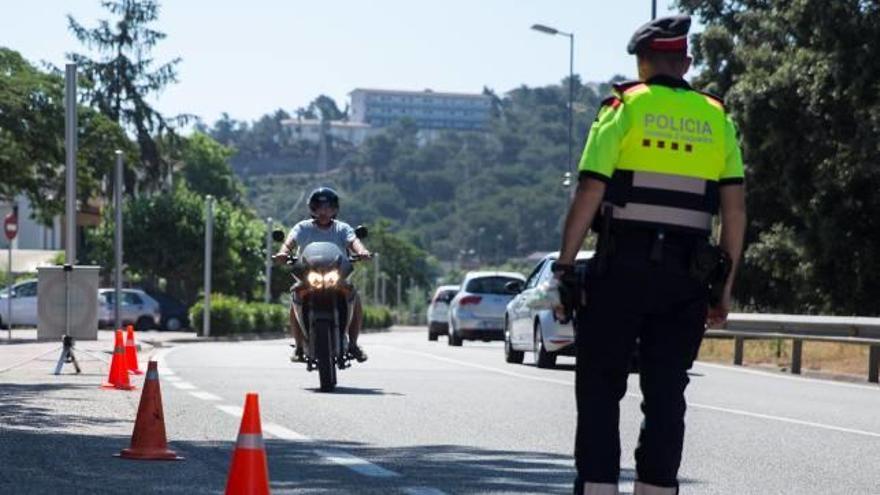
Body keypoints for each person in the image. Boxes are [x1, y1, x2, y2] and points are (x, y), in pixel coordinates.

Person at [553, 15, 747, 495]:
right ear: (686, 62)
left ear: (641, 63)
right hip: (685, 278)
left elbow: (588, 192)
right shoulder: (715, 116)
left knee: (601, 386)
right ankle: (657, 489)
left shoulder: (623, 107)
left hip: (620, 268)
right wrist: (723, 287)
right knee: (666, 392)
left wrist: (564, 265)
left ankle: (598, 486)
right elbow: (735, 210)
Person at [273, 187, 372, 363]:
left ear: (335, 209)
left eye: (328, 207)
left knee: (353, 296)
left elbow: (354, 242)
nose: (324, 211)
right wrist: (283, 253)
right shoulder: (302, 228)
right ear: (313, 209)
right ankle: (298, 346)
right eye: (319, 207)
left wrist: (362, 251)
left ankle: (354, 344)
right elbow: (289, 243)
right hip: (308, 277)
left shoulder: (342, 228)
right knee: (296, 295)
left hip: (337, 276)